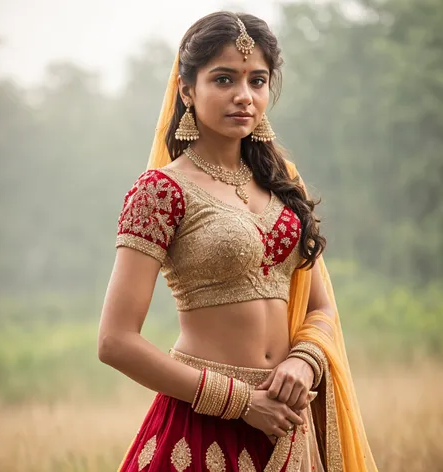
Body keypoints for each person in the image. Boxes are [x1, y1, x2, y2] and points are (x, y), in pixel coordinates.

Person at [98, 11, 377, 472]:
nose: (244, 96)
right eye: (224, 79)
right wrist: (241, 402)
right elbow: (115, 341)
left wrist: (303, 362)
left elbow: (319, 307)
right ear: (187, 90)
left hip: (287, 419)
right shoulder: (161, 191)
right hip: (202, 424)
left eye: (258, 80)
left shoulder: (283, 184)